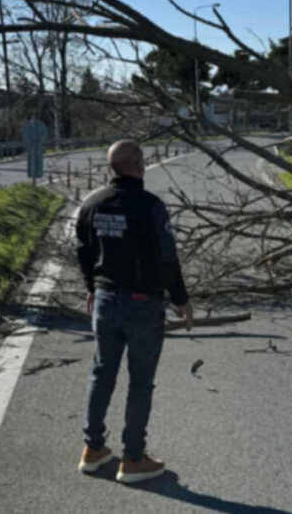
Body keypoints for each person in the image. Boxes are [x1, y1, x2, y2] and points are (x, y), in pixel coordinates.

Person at [75, 139, 193, 484]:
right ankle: (133, 457)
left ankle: (93, 449)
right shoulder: (150, 206)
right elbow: (167, 257)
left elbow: (83, 249)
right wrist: (181, 299)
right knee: (140, 382)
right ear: (139, 165)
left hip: (105, 299)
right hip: (143, 304)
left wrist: (90, 286)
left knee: (101, 373)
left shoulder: (93, 203)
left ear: (112, 167)